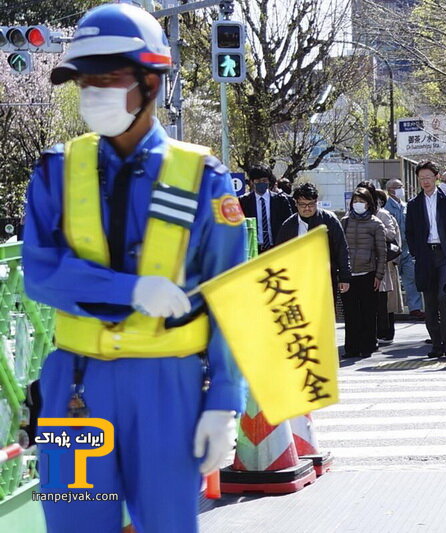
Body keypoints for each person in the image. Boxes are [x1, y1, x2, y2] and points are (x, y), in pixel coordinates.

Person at [22, 4, 245, 531]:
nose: (93, 92)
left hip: (169, 386)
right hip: (75, 384)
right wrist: (130, 290)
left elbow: (231, 296)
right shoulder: (56, 170)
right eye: (85, 81)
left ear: (151, 81)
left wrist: (226, 401)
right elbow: (39, 272)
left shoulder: (204, 178)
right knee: (74, 524)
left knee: (167, 524)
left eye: (109, 77)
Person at [406, 161, 446, 358]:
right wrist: (417, 252)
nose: (425, 182)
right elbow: (410, 233)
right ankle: (436, 343)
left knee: (443, 298)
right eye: (421, 178)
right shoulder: (413, 204)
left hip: (445, 254)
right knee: (429, 301)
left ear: (437, 177)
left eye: (428, 177)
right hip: (425, 255)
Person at [275, 182, 351, 296]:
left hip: (325, 278)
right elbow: (280, 254)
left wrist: (344, 277)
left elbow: (341, 249)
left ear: (316, 202)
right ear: (295, 203)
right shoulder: (288, 225)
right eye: (302, 204)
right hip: (297, 279)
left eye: (311, 204)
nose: (307, 208)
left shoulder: (329, 220)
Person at [340, 187, 387, 358]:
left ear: (369, 203)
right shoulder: (344, 221)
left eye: (362, 201)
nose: (358, 204)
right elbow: (339, 248)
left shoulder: (376, 223)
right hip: (349, 274)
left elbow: (382, 252)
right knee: (351, 313)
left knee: (368, 312)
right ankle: (351, 347)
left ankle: (368, 344)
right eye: (355, 201)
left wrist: (379, 275)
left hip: (368, 273)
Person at [386, 178, 425, 320]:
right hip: (392, 250)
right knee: (392, 281)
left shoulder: (406, 206)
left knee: (411, 278)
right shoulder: (386, 207)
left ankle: (415, 308)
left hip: (407, 249)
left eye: (401, 186)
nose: (401, 189)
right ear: (390, 189)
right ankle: (390, 309)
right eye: (398, 187)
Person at [239, 164, 295, 253]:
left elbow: (290, 224)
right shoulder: (244, 201)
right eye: (257, 181)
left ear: (269, 181)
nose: (261, 183)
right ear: (252, 182)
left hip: (277, 249)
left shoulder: (281, 200)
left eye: (264, 180)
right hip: (253, 250)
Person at [373, 189, 403, 344]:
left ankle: (386, 332)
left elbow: (393, 236)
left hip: (386, 263)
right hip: (373, 262)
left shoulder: (383, 215)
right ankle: (380, 331)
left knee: (386, 300)